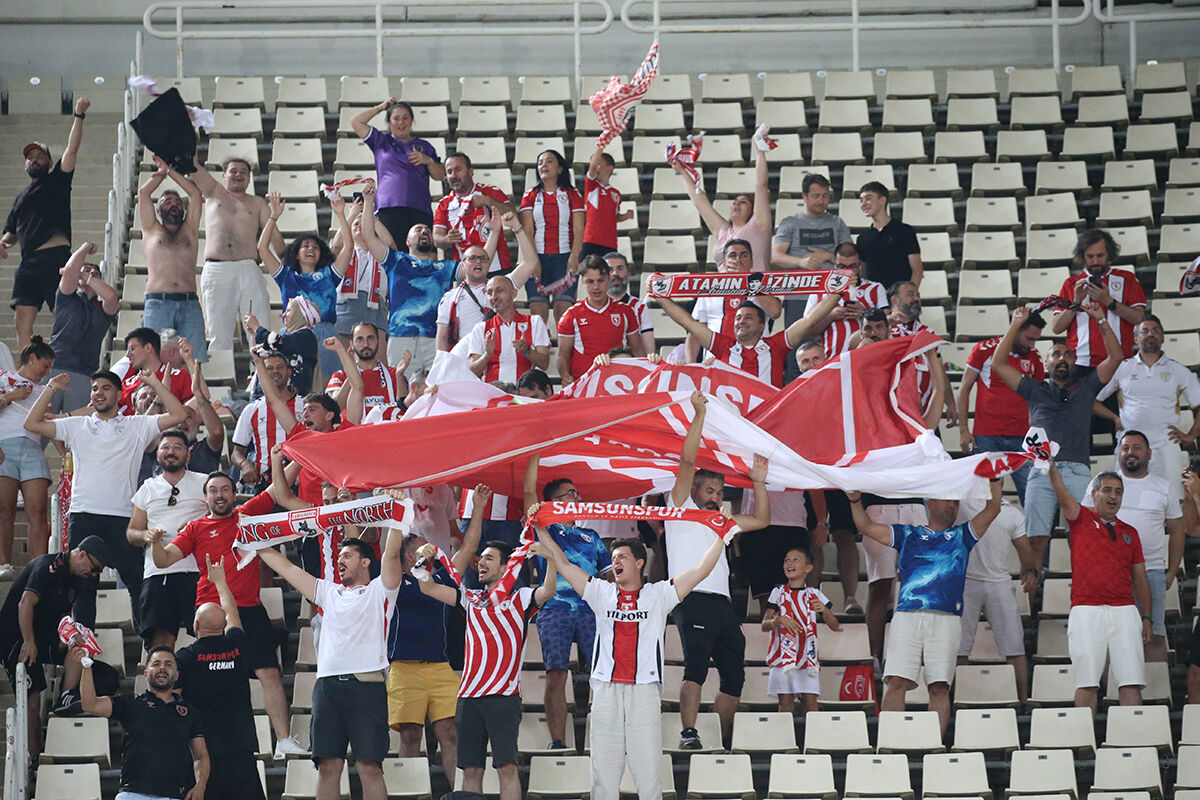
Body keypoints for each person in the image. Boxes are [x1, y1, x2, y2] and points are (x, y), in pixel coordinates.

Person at [530, 525, 730, 800]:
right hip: (606, 689)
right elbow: (563, 563)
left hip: (644, 690)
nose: (615, 561)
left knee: (647, 770)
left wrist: (722, 534)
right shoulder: (600, 592)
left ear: (639, 562)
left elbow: (701, 570)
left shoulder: (659, 595)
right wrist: (540, 526)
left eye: (622, 556)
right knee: (603, 771)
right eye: (613, 557)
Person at [149, 471, 303, 759]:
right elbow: (164, 559)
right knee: (207, 680)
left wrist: (290, 454)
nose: (219, 495)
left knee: (268, 672)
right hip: (212, 611)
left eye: (225, 490)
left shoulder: (246, 515)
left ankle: (282, 740)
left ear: (234, 495)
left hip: (249, 608)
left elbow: (274, 489)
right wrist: (155, 541)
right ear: (205, 497)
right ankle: (196, 742)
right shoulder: (195, 527)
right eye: (213, 491)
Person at [25, 369, 186, 628]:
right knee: (82, 587)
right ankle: (82, 650)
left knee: (137, 582)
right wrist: (50, 388)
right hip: (84, 514)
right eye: (95, 388)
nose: (98, 393)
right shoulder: (77, 425)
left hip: (123, 517)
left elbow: (179, 415)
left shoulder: (137, 424)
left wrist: (155, 383)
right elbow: (31, 424)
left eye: (106, 388)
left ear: (120, 395)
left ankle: (149, 650)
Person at [256, 516, 403, 800]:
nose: (340, 560)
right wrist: (257, 542)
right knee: (327, 765)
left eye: (347, 555)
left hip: (366, 686)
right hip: (327, 688)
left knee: (369, 766)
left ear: (365, 562)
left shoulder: (381, 591)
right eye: (339, 556)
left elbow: (392, 553)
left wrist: (396, 518)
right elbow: (286, 567)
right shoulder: (328, 592)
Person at [847, 479, 1002, 736]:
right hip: (907, 615)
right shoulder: (909, 534)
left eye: (955, 502)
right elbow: (865, 526)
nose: (952, 506)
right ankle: (891, 744)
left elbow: (993, 508)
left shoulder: (963, 535)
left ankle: (933, 745)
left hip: (947, 618)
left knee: (939, 686)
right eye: (947, 500)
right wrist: (854, 500)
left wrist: (995, 479)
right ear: (930, 502)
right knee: (896, 682)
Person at [414, 534, 558, 800]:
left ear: (507, 567)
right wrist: (425, 561)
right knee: (470, 769)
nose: (481, 563)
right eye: (480, 559)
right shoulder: (471, 598)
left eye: (489, 558)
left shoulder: (521, 598)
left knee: (507, 767)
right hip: (468, 698)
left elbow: (548, 591)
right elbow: (429, 588)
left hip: (503, 697)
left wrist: (549, 558)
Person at [668, 393, 771, 749]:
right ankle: (689, 733)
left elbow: (761, 519)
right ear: (693, 489)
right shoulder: (678, 507)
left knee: (734, 677)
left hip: (723, 603)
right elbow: (686, 460)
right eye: (709, 490)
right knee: (695, 667)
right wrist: (699, 415)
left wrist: (758, 480)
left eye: (719, 491)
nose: (715, 496)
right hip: (690, 597)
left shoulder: (721, 520)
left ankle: (718, 736)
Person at [990, 305, 1123, 564]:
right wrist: (1015, 325)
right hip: (1040, 471)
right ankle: (1032, 602)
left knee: (1084, 538)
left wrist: (1100, 318)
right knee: (1036, 541)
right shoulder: (1033, 388)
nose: (1062, 358)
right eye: (1056, 354)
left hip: (1077, 471)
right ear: (1047, 362)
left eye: (1068, 354)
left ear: (1074, 362)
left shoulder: (1087, 386)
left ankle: (1085, 597)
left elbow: (1116, 357)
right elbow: (998, 363)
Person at [387, 500, 484, 780]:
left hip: (440, 666)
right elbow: (388, 552)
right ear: (408, 555)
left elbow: (467, 548)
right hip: (404, 667)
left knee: (450, 733)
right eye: (421, 544)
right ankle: (409, 793)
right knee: (409, 735)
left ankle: (457, 794)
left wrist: (477, 509)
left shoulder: (440, 578)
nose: (429, 546)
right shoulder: (393, 581)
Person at [1047, 456, 1151, 712]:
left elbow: (1140, 578)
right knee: (1087, 682)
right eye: (1107, 490)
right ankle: (1086, 746)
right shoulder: (1080, 519)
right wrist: (1050, 467)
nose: (1113, 496)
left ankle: (1133, 742)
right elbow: (1061, 493)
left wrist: (1147, 617)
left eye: (1118, 491)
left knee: (1131, 682)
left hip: (1125, 610)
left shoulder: (1131, 532)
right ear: (1093, 495)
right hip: (1086, 609)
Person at [523, 456, 612, 750]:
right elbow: (528, 495)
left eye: (577, 493)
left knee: (603, 675)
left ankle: (599, 739)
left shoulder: (592, 536)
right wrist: (535, 453)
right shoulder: (542, 526)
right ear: (554, 501)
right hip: (555, 608)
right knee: (556, 674)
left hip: (590, 610)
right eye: (570, 493)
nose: (578, 497)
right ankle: (558, 742)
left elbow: (608, 577)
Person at [0, 536, 108, 759]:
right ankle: (33, 758)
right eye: (95, 568)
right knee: (33, 698)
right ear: (81, 555)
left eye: (98, 572)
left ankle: (65, 696)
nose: (94, 575)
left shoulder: (76, 578)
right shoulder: (47, 567)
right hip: (14, 636)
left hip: (42, 634)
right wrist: (29, 642)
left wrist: (71, 634)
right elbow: (25, 603)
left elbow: (62, 613)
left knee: (77, 646)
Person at [1081, 430, 1183, 663]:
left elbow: (1177, 531)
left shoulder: (1164, 486)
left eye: (1137, 448)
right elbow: (1084, 524)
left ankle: (1157, 695)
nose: (1130, 452)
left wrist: (1172, 572)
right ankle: (1112, 694)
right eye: (1125, 447)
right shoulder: (1102, 484)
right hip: (1108, 574)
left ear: (1148, 454)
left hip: (1150, 572)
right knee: (1107, 638)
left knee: (1154, 636)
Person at [1, 97, 90, 350]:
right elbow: (10, 233)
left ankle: (67, 361)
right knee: (21, 322)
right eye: (29, 157)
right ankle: (26, 374)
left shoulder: (57, 181)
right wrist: (2, 244)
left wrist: (79, 115)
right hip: (27, 263)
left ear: (50, 162)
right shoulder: (20, 199)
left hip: (54, 258)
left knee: (63, 314)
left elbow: (72, 149)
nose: (34, 159)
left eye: (40, 155)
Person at [175, 556, 265, 800]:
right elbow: (233, 613)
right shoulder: (237, 646)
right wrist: (221, 583)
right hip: (241, 748)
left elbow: (174, 700)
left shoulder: (185, 658)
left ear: (195, 625)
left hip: (204, 752)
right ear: (224, 625)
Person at [75, 644, 209, 800]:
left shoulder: (189, 712)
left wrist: (200, 786)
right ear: (146, 673)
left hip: (172, 796)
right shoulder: (131, 703)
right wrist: (86, 666)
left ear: (177, 675)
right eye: (156, 664)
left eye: (168, 664)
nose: (162, 668)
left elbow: (200, 755)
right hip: (132, 794)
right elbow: (90, 704)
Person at [358, 181, 464, 373]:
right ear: (407, 241)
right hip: (401, 337)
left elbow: (477, 267)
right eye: (418, 230)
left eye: (428, 231)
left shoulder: (445, 267)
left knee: (436, 393)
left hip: (436, 338)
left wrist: (494, 231)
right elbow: (368, 236)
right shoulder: (396, 261)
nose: (424, 232)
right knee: (402, 393)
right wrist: (368, 202)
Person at [190, 155, 282, 352]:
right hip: (217, 269)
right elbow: (193, 167)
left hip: (248, 268)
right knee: (219, 334)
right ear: (224, 175)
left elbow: (275, 239)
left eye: (243, 172)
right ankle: (218, 381)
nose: (238, 175)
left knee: (259, 329)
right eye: (233, 171)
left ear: (249, 178)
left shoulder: (258, 204)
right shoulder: (213, 193)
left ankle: (260, 380)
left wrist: (290, 269)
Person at [126, 430, 207, 650]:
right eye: (166, 447)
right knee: (160, 641)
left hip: (198, 572)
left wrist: (197, 528)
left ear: (188, 455)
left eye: (178, 447)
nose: (171, 451)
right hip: (157, 573)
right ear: (158, 454)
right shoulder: (147, 488)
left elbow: (222, 518)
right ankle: (161, 684)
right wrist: (146, 536)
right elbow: (132, 532)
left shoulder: (205, 483)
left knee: (206, 635)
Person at [656, 290, 838, 388]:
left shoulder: (775, 346)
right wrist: (661, 297)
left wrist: (838, 291)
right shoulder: (723, 347)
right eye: (738, 318)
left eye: (748, 317)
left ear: (762, 326)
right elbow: (688, 322)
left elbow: (809, 320)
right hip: (733, 424)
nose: (741, 321)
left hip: (766, 423)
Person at [1093, 314, 1200, 481]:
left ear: (1163, 337)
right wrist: (1113, 417)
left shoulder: (1178, 370)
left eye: (1156, 330)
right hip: (1129, 448)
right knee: (1127, 499)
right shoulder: (1122, 368)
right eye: (1145, 331)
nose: (1151, 334)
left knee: (1173, 499)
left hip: (1167, 447)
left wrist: (1190, 436)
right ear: (1136, 338)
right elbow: (1092, 401)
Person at [259, 192, 353, 377]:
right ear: (296, 253)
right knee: (295, 385)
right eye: (306, 246)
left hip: (326, 333)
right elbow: (262, 248)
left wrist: (341, 214)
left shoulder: (329, 275)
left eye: (316, 247)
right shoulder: (286, 276)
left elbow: (348, 247)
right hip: (293, 334)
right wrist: (273, 216)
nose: (311, 249)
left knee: (329, 387)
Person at [955, 497, 1037, 706]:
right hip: (966, 582)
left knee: (1015, 647)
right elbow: (1025, 551)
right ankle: (955, 699)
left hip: (996, 582)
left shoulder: (1011, 512)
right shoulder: (961, 503)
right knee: (959, 649)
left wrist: (1030, 570)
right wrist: (1029, 569)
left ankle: (1023, 701)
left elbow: (1025, 551)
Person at [956, 310, 1046, 501]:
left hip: (1022, 439)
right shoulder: (984, 349)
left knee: (1032, 496)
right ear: (1016, 328)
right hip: (987, 436)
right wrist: (964, 429)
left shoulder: (1034, 357)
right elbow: (964, 388)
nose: (1032, 345)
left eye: (1035, 340)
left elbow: (1039, 399)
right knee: (984, 498)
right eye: (1029, 338)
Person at [436, 210, 539, 354]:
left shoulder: (501, 286)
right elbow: (441, 337)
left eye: (483, 259)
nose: (478, 261)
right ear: (463, 265)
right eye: (472, 258)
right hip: (464, 360)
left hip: (497, 358)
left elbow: (530, 262)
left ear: (488, 264)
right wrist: (442, 364)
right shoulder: (449, 297)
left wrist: (516, 227)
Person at [138, 156, 207, 362]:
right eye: (167, 202)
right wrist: (161, 173)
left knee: (192, 360)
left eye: (177, 202)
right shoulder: (151, 229)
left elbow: (195, 193)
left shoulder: (190, 229)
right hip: (158, 302)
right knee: (154, 359)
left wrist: (171, 172)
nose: (174, 204)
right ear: (158, 211)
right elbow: (144, 193)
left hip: (189, 302)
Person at [351, 97, 444, 248]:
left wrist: (428, 161)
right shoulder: (381, 141)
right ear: (389, 122)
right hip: (388, 208)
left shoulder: (424, 145)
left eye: (405, 118)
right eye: (396, 118)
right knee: (391, 255)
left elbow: (440, 175)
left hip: (419, 208)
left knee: (422, 255)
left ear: (412, 121)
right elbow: (356, 122)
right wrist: (380, 107)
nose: (401, 122)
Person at [1051, 228, 1147, 372]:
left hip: (1120, 362)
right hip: (1080, 363)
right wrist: (1076, 302)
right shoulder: (1071, 283)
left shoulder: (1127, 279)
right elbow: (1056, 328)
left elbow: (1139, 318)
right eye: (1090, 256)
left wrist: (1108, 301)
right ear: (1082, 256)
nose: (1095, 261)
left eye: (1100, 256)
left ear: (1109, 254)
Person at [674, 129, 772, 269]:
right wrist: (682, 170)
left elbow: (761, 186)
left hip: (755, 289)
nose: (737, 204)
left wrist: (759, 149)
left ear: (752, 210)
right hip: (725, 289)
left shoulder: (758, 226)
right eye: (735, 202)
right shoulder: (724, 231)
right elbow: (700, 202)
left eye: (743, 202)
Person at [0, 337, 55, 577]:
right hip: (4, 447)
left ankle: (38, 568)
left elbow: (50, 424)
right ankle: (3, 565)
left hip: (33, 449)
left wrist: (64, 452)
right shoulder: (3, 378)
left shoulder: (44, 390)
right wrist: (12, 396)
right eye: (44, 365)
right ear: (31, 359)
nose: (46, 371)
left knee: (38, 511)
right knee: (4, 509)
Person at [761, 548, 839, 715]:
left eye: (795, 559)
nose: (789, 563)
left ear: (808, 568)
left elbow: (834, 625)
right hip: (782, 658)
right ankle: (786, 741)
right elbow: (764, 624)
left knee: (811, 704)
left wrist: (825, 611)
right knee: (786, 705)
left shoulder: (815, 594)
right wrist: (778, 620)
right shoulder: (778, 592)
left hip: (807, 659)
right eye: (786, 560)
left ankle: (814, 740)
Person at [770, 172, 850, 327]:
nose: (821, 200)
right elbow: (776, 256)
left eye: (825, 196)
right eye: (816, 196)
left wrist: (827, 255)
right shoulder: (790, 223)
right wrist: (801, 262)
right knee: (797, 344)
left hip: (830, 293)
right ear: (804, 197)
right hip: (798, 293)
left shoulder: (837, 223)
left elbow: (851, 256)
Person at [684, 240, 782, 364]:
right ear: (724, 263)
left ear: (752, 262)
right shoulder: (710, 288)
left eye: (744, 255)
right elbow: (695, 334)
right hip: (715, 362)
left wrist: (747, 278)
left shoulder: (763, 285)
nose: (738, 260)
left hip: (756, 362)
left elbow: (775, 312)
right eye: (732, 255)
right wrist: (691, 366)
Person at [47, 242, 117, 413]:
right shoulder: (66, 297)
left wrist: (86, 277)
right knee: (41, 425)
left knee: (76, 429)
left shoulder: (103, 308)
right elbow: (70, 272)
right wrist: (85, 247)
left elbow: (111, 296)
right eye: (86, 270)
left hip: (84, 372)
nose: (91, 274)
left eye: (96, 274)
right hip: (56, 365)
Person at [556, 256, 647, 385]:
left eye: (601, 280)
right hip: (585, 385)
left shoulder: (626, 312)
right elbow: (562, 356)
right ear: (582, 281)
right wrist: (566, 376)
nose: (596, 287)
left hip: (617, 383)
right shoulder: (571, 316)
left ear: (609, 278)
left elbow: (638, 351)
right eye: (590, 281)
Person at [521, 149, 585, 322]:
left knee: (563, 313)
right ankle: (541, 349)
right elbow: (527, 231)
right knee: (538, 316)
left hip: (564, 259)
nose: (544, 165)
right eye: (540, 162)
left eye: (549, 161)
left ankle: (566, 349)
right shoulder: (530, 195)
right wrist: (533, 260)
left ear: (560, 168)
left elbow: (579, 229)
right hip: (536, 258)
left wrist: (574, 257)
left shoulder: (573, 194)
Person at [433, 151, 516, 274]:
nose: (453, 175)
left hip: (497, 267)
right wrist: (447, 239)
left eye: (458, 169)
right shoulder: (444, 204)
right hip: (465, 271)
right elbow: (437, 239)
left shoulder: (489, 192)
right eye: (449, 172)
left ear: (471, 171)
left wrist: (488, 201)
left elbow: (513, 214)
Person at [802, 242, 888, 359]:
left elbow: (888, 324)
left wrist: (865, 315)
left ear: (860, 264)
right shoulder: (820, 291)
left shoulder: (875, 288)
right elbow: (807, 332)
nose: (848, 272)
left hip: (869, 358)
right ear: (834, 264)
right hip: (832, 361)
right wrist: (830, 316)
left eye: (852, 266)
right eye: (842, 267)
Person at [231, 351, 301, 491]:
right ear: (261, 373)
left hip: (299, 483)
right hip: (264, 484)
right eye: (269, 368)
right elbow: (236, 452)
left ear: (289, 372)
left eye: (280, 367)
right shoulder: (251, 409)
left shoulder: (305, 405)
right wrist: (245, 464)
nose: (275, 371)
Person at [465, 273, 551, 383]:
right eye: (490, 293)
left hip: (523, 395)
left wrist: (527, 351)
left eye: (499, 291)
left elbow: (544, 364)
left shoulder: (535, 322)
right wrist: (487, 355)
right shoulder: (481, 328)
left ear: (514, 294)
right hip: (493, 394)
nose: (494, 297)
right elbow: (473, 371)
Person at [330, 196, 392, 346]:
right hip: (347, 305)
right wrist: (352, 215)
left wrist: (370, 217)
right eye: (355, 225)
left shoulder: (382, 254)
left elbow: (391, 244)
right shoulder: (345, 252)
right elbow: (336, 246)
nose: (359, 226)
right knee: (345, 359)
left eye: (363, 224)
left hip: (376, 305)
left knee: (376, 361)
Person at [326, 321, 407, 417]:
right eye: (360, 340)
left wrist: (399, 375)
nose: (365, 344)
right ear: (351, 344)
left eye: (370, 339)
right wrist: (351, 373)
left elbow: (404, 410)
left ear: (378, 341)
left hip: (386, 429)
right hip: (354, 431)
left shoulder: (394, 374)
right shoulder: (340, 376)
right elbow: (334, 410)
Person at [243, 297, 320, 397]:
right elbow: (256, 358)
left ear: (300, 315)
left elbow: (276, 342)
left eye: (288, 311)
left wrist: (256, 327)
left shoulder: (306, 337)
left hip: (289, 400)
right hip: (264, 395)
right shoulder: (288, 337)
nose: (283, 315)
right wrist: (254, 334)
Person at [855, 181, 923, 288]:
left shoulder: (905, 231)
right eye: (861, 200)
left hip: (900, 299)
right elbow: (864, 274)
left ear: (882, 200)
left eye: (868, 199)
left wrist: (910, 294)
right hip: (875, 301)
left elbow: (917, 269)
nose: (863, 204)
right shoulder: (862, 239)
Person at [114, 327, 194, 414]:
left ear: (148, 348)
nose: (127, 355)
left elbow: (193, 412)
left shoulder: (180, 376)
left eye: (132, 349)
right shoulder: (126, 384)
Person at [581, 144, 635, 260]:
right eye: (593, 165)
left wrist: (625, 216)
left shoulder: (616, 194)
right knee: (587, 272)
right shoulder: (591, 187)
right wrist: (600, 145)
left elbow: (614, 216)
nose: (595, 168)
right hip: (591, 240)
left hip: (610, 243)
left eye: (598, 164)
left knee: (607, 275)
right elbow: (591, 169)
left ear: (609, 168)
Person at [603, 251, 655, 355]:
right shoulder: (593, 307)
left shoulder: (639, 307)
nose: (615, 273)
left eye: (620, 268)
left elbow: (649, 352)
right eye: (610, 270)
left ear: (628, 273)